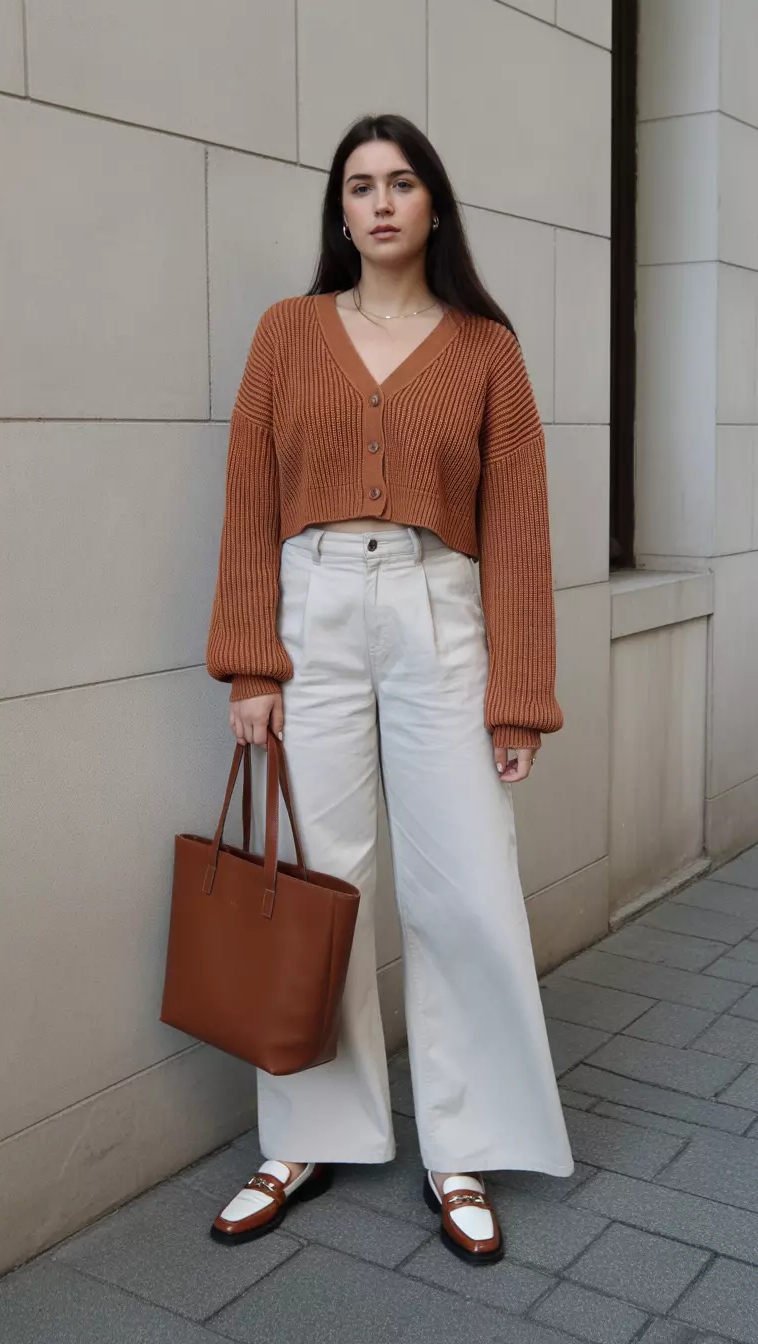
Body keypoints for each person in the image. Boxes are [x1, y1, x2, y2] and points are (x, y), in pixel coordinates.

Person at [204, 113, 574, 1267]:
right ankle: (307, 1134)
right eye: (360, 185)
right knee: (319, 885)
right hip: (312, 612)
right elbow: (249, 506)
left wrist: (519, 696)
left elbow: (516, 528)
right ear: (341, 210)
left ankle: (462, 1143)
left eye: (401, 182)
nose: (379, 202)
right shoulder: (287, 332)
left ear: (433, 205)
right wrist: (250, 664)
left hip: (438, 612)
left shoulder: (483, 350)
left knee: (466, 886)